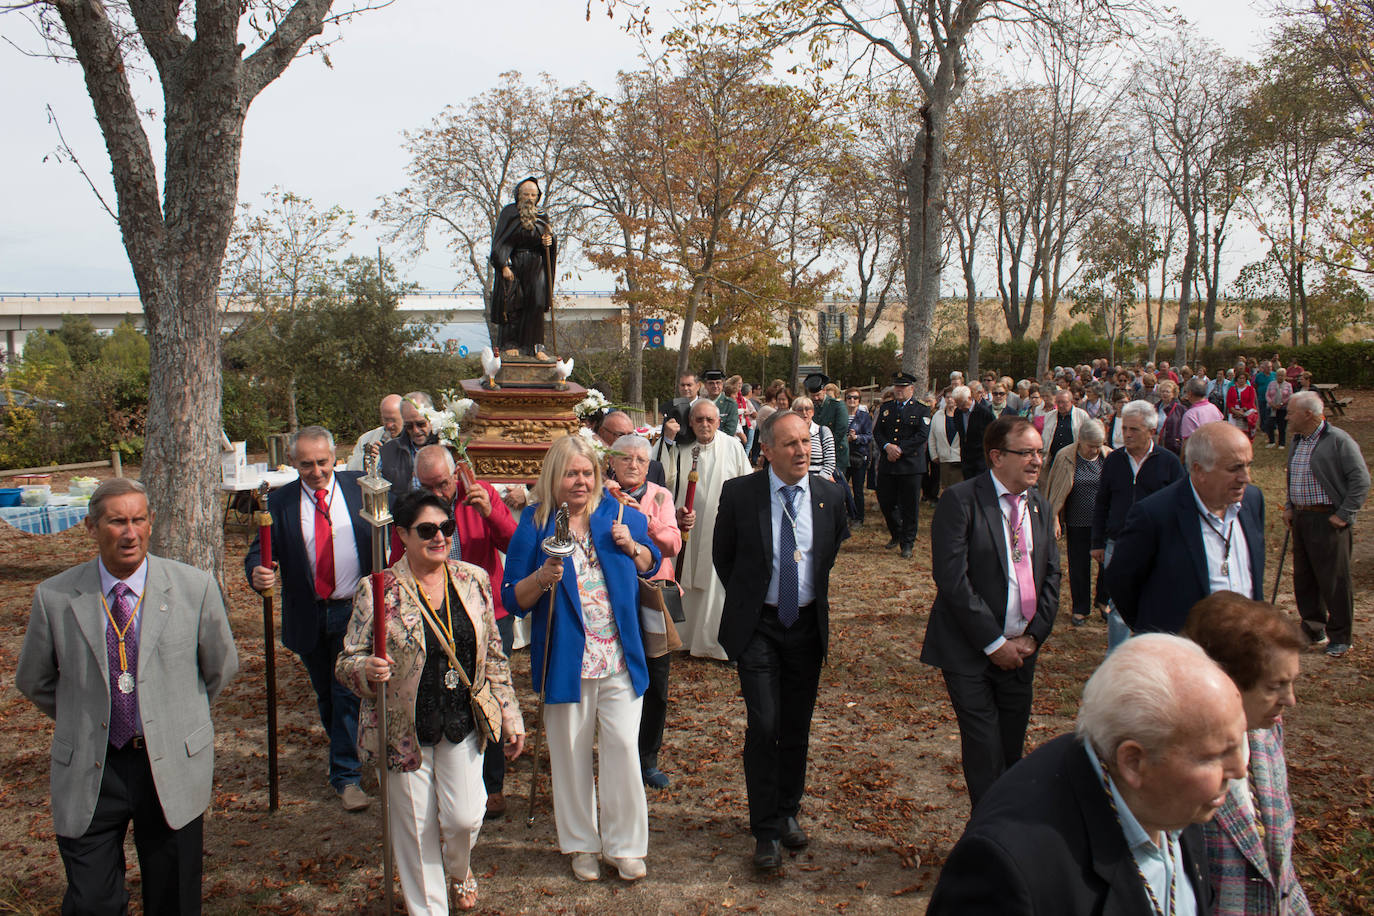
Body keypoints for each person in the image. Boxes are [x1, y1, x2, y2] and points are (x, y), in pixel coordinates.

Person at [16, 479, 238, 915]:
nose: (129, 532)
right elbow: (36, 680)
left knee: (173, 897)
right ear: (91, 527)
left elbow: (219, 667)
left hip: (170, 763)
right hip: (91, 767)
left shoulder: (194, 588)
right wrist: (87, 716)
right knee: (91, 900)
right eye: (117, 521)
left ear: (151, 523)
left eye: (138, 520)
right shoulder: (56, 597)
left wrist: (168, 713)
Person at [927, 633, 1248, 915]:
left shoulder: (1176, 801)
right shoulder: (1008, 869)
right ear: (1133, 763)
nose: (1239, 769)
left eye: (1240, 742)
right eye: (1215, 756)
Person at [336, 489, 525, 913]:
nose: (439, 537)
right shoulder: (377, 589)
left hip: (462, 722)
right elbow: (346, 660)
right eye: (427, 530)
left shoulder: (473, 579)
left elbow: (494, 656)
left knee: (464, 819)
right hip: (404, 730)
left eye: (446, 528)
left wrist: (511, 716)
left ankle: (460, 869)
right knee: (416, 832)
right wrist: (364, 669)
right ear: (402, 534)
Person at [501, 435, 660, 882]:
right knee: (570, 755)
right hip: (567, 658)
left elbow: (653, 561)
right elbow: (513, 597)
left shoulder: (619, 513)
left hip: (619, 656)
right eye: (571, 473)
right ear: (554, 475)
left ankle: (625, 845)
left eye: (587, 472)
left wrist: (635, 546)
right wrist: (543, 575)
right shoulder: (535, 524)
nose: (580, 480)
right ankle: (581, 843)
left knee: (625, 749)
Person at [713, 410, 850, 872]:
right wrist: (756, 598)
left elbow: (826, 554)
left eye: (806, 442)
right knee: (765, 724)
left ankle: (789, 810)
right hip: (760, 628)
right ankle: (765, 830)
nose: (801, 451)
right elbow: (723, 557)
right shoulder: (740, 494)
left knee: (795, 726)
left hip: (807, 628)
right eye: (790, 444)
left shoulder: (831, 495)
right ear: (766, 450)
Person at [921, 416, 1061, 809]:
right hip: (969, 650)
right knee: (984, 749)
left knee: (1011, 749)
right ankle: (989, 835)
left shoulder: (1040, 506)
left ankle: (1003, 830)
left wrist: (1032, 638)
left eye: (1040, 452)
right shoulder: (962, 500)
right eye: (1027, 453)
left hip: (1021, 653)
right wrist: (993, 642)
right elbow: (952, 579)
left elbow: (1052, 574)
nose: (1036, 461)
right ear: (997, 457)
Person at [246, 426, 374, 810]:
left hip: (355, 610)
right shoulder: (280, 503)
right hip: (309, 614)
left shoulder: (362, 487)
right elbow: (260, 552)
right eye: (306, 465)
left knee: (347, 693)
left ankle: (347, 777)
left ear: (335, 457)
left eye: (322, 462)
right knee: (327, 696)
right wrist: (257, 572)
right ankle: (352, 752)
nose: (316, 471)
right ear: (294, 463)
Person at [1180, 592, 1311, 915]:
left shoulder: (1265, 733)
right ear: (1225, 682)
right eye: (1274, 686)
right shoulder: (1176, 764)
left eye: (1291, 683)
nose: (1290, 700)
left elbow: (1281, 872)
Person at [412, 445, 521, 818]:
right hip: (438, 610)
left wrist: (490, 514)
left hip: (489, 610)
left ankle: (493, 783)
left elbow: (514, 544)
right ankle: (451, 776)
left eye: (443, 483)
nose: (438, 493)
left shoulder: (482, 493)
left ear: (456, 472)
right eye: (428, 486)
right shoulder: (417, 508)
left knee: (487, 691)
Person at [1106, 421, 1264, 635]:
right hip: (1183, 655)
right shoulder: (1154, 515)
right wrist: (1160, 634)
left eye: (1248, 465)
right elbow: (1122, 582)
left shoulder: (1252, 502)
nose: (1246, 477)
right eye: (1234, 468)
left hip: (1245, 651)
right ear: (1199, 470)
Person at [606, 434, 683, 789]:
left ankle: (647, 758)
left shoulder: (660, 496)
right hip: (611, 596)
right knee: (618, 678)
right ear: (612, 461)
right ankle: (616, 753)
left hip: (653, 594)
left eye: (641, 459)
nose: (634, 465)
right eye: (626, 459)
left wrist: (644, 520)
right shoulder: (600, 494)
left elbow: (672, 543)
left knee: (656, 678)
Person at [661, 399, 754, 659]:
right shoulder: (680, 446)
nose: (704, 424)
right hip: (683, 527)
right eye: (698, 419)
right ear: (690, 422)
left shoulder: (732, 446)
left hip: (720, 528)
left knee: (717, 584)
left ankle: (714, 643)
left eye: (709, 420)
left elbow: (746, 485)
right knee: (683, 579)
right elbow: (662, 479)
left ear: (718, 422)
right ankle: (682, 638)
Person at [1092, 400, 1184, 651]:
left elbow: (1181, 507)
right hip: (1117, 542)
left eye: (1134, 430)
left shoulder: (1169, 463)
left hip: (1157, 545)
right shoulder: (1113, 460)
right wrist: (1097, 542)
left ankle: (1153, 654)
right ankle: (1117, 658)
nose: (1127, 435)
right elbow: (1102, 502)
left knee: (1157, 598)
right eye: (1125, 428)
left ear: (1151, 431)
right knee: (1119, 603)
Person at [1284, 391, 1370, 657]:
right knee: (1305, 577)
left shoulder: (1338, 440)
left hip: (1328, 519)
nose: (1287, 416)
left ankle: (1341, 636)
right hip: (1301, 517)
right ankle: (1313, 628)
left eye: (1291, 412)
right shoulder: (1298, 440)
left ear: (1308, 414)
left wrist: (1344, 514)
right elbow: (1293, 476)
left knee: (1334, 580)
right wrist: (1289, 506)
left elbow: (1361, 481)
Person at [1044, 419, 1110, 628]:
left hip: (1103, 523)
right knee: (1079, 566)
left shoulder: (1110, 457)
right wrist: (1054, 517)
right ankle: (1080, 608)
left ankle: (1103, 601)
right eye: (1091, 445)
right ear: (1080, 440)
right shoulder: (1065, 456)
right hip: (1077, 521)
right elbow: (1055, 491)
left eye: (1098, 445)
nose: (1094, 450)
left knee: (1107, 564)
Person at [489, 176, 557, 357]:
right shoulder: (509, 213)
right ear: (519, 195)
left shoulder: (542, 215)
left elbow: (548, 237)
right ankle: (510, 343)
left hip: (536, 265)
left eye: (533, 194)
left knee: (536, 301)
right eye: (526, 194)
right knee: (512, 304)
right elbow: (500, 242)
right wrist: (502, 265)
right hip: (515, 263)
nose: (529, 198)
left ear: (538, 196)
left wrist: (549, 241)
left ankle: (535, 346)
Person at [873, 371, 932, 559]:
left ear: (911, 389)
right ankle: (896, 532)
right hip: (888, 464)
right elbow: (878, 432)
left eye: (903, 387)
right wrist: (887, 447)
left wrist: (900, 449)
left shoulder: (922, 409)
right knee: (886, 501)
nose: (899, 390)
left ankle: (907, 542)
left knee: (910, 505)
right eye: (897, 386)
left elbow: (922, 434)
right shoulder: (887, 407)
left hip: (910, 464)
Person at [380, 392, 439, 502]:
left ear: (431, 418)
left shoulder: (448, 447)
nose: (416, 430)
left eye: (421, 424)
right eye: (409, 426)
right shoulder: (388, 451)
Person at [598, 410, 666, 488]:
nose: (627, 440)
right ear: (602, 432)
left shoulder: (654, 468)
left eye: (630, 435)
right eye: (620, 435)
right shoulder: (593, 466)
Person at [348, 393, 404, 470]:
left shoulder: (415, 441)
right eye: (385, 419)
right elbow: (349, 469)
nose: (389, 425)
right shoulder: (366, 439)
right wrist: (366, 458)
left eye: (393, 420)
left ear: (405, 417)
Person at [844, 388, 873, 526]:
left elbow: (869, 436)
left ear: (859, 400)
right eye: (849, 397)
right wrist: (845, 439)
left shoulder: (864, 416)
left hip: (859, 456)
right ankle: (848, 513)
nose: (852, 400)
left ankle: (859, 517)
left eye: (855, 398)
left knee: (858, 489)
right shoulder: (842, 415)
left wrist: (856, 438)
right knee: (843, 488)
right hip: (844, 456)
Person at [790, 396, 836, 481]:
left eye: (807, 409)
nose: (804, 412)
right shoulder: (788, 433)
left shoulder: (823, 431)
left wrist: (816, 483)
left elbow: (830, 463)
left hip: (819, 483)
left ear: (813, 412)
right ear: (793, 413)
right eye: (800, 409)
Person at [956, 385, 996, 480]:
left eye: (962, 403)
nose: (960, 407)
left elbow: (993, 435)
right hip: (966, 458)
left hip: (981, 458)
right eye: (957, 404)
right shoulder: (958, 413)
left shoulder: (984, 413)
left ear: (969, 398)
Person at [928, 386, 963, 493]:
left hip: (960, 458)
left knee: (960, 488)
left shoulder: (963, 414)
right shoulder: (937, 415)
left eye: (953, 397)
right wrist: (934, 455)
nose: (950, 399)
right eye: (947, 397)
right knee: (946, 488)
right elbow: (932, 437)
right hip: (944, 458)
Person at [1041, 388, 1089, 464]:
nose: (1060, 405)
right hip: (1053, 459)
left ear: (1071, 402)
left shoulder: (1081, 415)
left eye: (1064, 402)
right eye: (1058, 402)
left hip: (1073, 459)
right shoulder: (1049, 416)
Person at [1180, 376, 1225, 445]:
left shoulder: (1190, 414)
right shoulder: (1214, 408)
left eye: (1185, 391)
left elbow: (1188, 442)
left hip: (1199, 452)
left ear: (1190, 393)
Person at [702, 369, 741, 438]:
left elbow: (730, 430)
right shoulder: (700, 404)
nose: (715, 386)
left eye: (718, 383)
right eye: (711, 383)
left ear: (722, 384)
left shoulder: (730, 404)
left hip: (723, 443)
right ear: (705, 385)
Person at [1226, 368, 1259, 439]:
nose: (1241, 380)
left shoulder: (1250, 389)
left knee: (1244, 434)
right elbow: (1229, 402)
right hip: (1234, 413)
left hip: (1246, 413)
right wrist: (1235, 411)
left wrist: (1242, 411)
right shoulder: (1232, 389)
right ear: (1236, 379)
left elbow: (1251, 402)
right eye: (1239, 378)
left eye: (1243, 378)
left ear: (1246, 379)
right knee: (1233, 433)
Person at [1155, 379, 1185, 454]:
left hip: (1172, 446)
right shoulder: (1155, 408)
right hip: (1157, 443)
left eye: (1167, 392)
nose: (1164, 394)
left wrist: (1180, 440)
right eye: (1162, 391)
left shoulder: (1180, 409)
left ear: (1173, 394)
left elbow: (1184, 426)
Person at [1266, 368, 1293, 448]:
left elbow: (1290, 396)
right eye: (1278, 375)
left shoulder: (1288, 385)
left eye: (1282, 375)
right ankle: (1271, 441)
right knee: (1269, 424)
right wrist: (1271, 403)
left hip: (1282, 408)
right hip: (1272, 408)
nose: (1280, 377)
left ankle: (1282, 443)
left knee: (1282, 426)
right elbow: (1267, 394)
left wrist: (1281, 404)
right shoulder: (1271, 384)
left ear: (1285, 376)